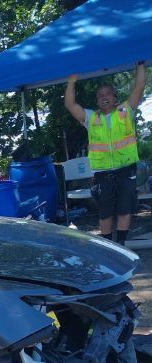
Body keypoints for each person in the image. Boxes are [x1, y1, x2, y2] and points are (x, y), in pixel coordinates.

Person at [64, 62, 146, 244]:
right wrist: (71, 81)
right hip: (103, 174)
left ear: (115, 98)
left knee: (125, 210)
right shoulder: (91, 118)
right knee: (105, 214)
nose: (104, 97)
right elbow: (70, 104)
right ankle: (110, 247)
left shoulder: (125, 111)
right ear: (97, 101)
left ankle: (121, 245)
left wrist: (140, 64)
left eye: (108, 94)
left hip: (126, 170)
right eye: (100, 96)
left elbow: (139, 86)